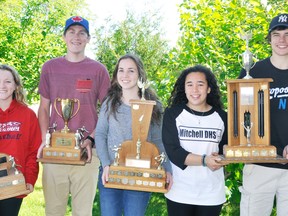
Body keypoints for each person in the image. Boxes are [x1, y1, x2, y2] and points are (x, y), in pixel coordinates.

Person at [37, 16, 110, 216]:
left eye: (81, 33)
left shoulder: (99, 70)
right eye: (71, 32)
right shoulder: (49, 68)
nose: (76, 37)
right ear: (64, 37)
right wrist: (45, 138)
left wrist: (92, 138)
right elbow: (44, 108)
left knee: (82, 212)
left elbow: (107, 111)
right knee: (54, 210)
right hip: (55, 150)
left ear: (88, 39)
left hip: (87, 151)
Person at [95, 54, 173, 216]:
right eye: (121, 70)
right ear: (116, 75)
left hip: (141, 174)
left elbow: (159, 140)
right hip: (112, 172)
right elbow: (101, 134)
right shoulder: (109, 102)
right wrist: (106, 164)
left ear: (140, 75)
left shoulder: (153, 105)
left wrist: (168, 169)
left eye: (131, 71)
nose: (125, 75)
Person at [238, 13, 288, 216]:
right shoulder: (254, 71)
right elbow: (241, 114)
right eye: (276, 35)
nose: (282, 40)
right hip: (259, 164)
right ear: (269, 39)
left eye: (287, 34)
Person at [162, 65, 227, 216]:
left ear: (209, 88)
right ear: (184, 88)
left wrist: (224, 158)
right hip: (180, 192)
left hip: (211, 194)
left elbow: (226, 149)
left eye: (200, 84)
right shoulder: (173, 114)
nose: (195, 90)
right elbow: (174, 152)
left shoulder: (222, 117)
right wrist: (205, 160)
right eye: (189, 85)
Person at [0, 64, 42, 216]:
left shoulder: (27, 115)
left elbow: (33, 151)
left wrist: (29, 179)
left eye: (7, 81)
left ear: (16, 86)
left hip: (14, 183)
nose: (2, 86)